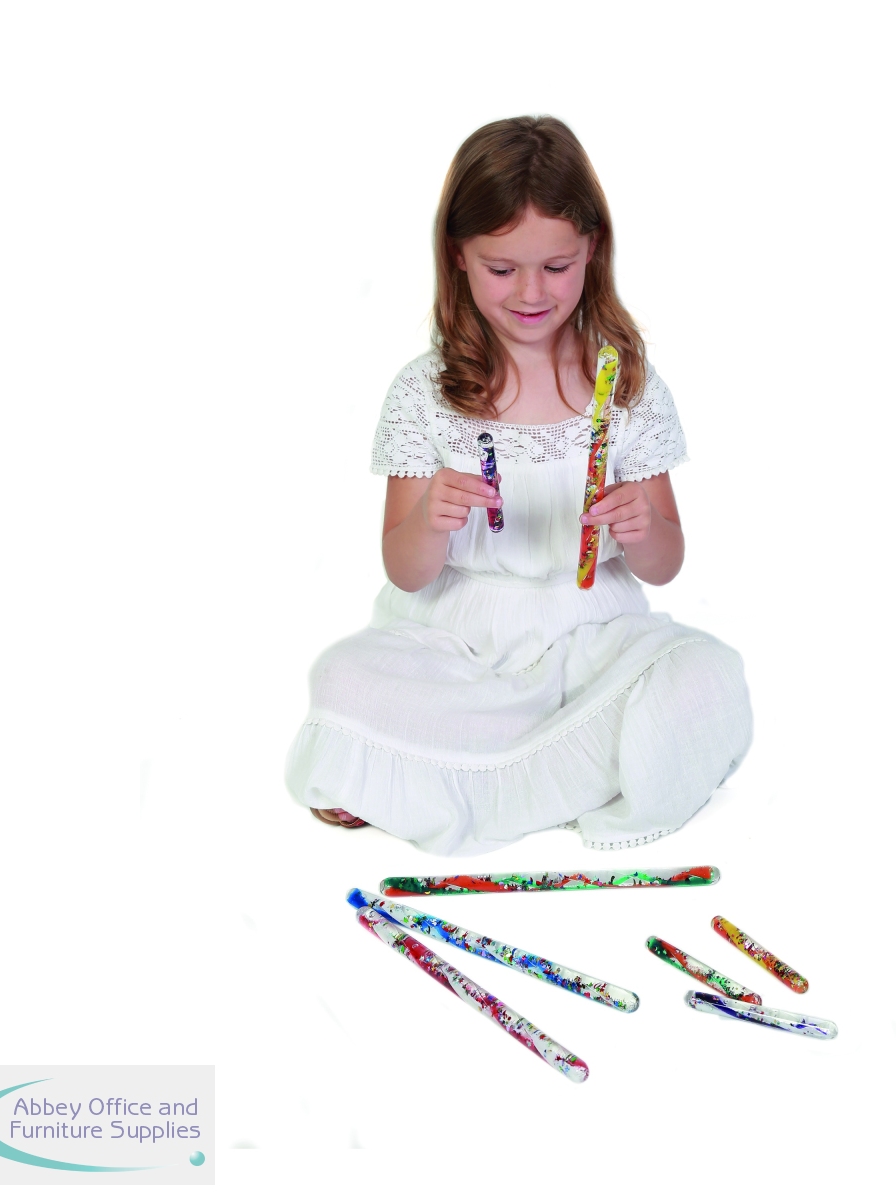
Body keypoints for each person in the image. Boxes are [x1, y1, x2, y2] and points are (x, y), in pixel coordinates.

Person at [285, 115, 753, 854]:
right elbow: (404, 570)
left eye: (556, 266)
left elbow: (666, 563)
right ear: (458, 256)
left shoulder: (625, 385)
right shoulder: (424, 391)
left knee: (703, 674)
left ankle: (457, 777)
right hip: (455, 646)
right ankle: (574, 769)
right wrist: (429, 520)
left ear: (592, 249)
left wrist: (643, 527)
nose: (531, 292)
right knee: (343, 679)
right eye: (502, 269)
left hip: (594, 643)